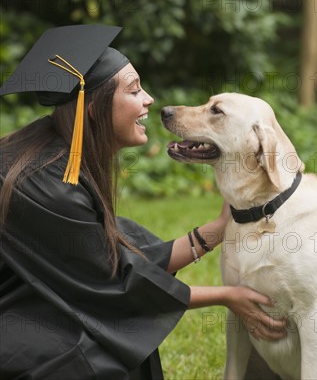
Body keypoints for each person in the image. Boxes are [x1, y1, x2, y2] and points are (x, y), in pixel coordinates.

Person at [0, 25, 286, 379]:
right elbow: (111, 286)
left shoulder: (56, 154)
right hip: (14, 324)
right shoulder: (43, 183)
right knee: (98, 348)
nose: (149, 99)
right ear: (94, 108)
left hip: (29, 304)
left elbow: (114, 257)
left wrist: (216, 230)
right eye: (134, 90)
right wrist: (227, 295)